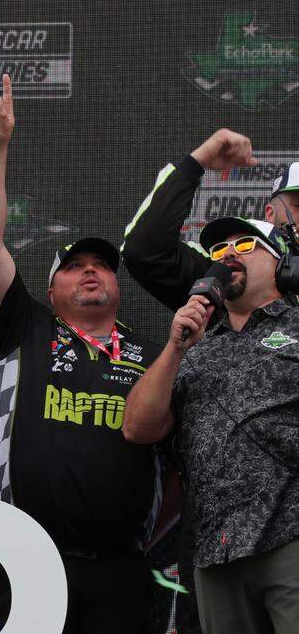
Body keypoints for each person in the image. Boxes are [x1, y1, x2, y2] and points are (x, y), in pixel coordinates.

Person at [0, 75, 163, 634]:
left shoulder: (153, 355)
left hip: (121, 566)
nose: (91, 272)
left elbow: (174, 463)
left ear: (117, 287)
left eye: (101, 265)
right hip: (27, 554)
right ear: (51, 291)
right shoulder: (22, 327)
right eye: (75, 266)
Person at [119, 131, 299, 633]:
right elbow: (147, 248)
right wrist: (198, 160)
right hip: (216, 544)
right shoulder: (204, 325)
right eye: (297, 207)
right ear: (278, 212)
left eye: (245, 243)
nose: (230, 253)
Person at [123, 128, 299, 311]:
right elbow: (146, 253)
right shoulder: (231, 264)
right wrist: (196, 164)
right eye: (298, 206)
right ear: (270, 214)